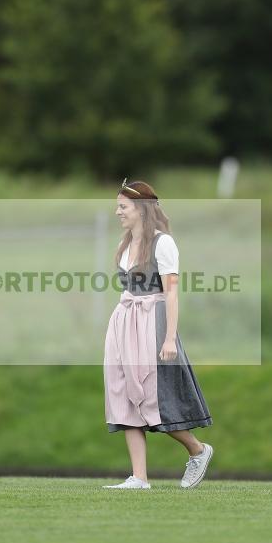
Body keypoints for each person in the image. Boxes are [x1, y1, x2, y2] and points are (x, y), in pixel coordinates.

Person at [102, 180, 213, 490]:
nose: (118, 212)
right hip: (125, 320)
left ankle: (197, 449)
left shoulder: (162, 243)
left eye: (123, 206)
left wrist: (169, 338)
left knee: (153, 397)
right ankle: (139, 477)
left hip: (153, 320)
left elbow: (172, 292)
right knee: (123, 395)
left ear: (141, 209)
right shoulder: (125, 243)